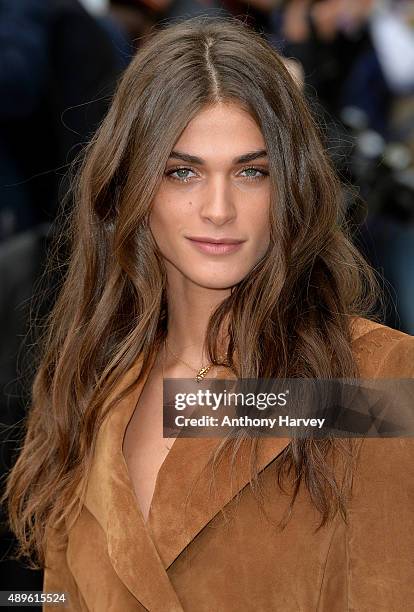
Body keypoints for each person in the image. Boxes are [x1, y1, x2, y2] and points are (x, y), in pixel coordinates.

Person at [2, 15, 414, 611]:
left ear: (291, 188)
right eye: (182, 172)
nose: (218, 208)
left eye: (252, 172)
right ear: (128, 186)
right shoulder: (86, 382)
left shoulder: (372, 382)